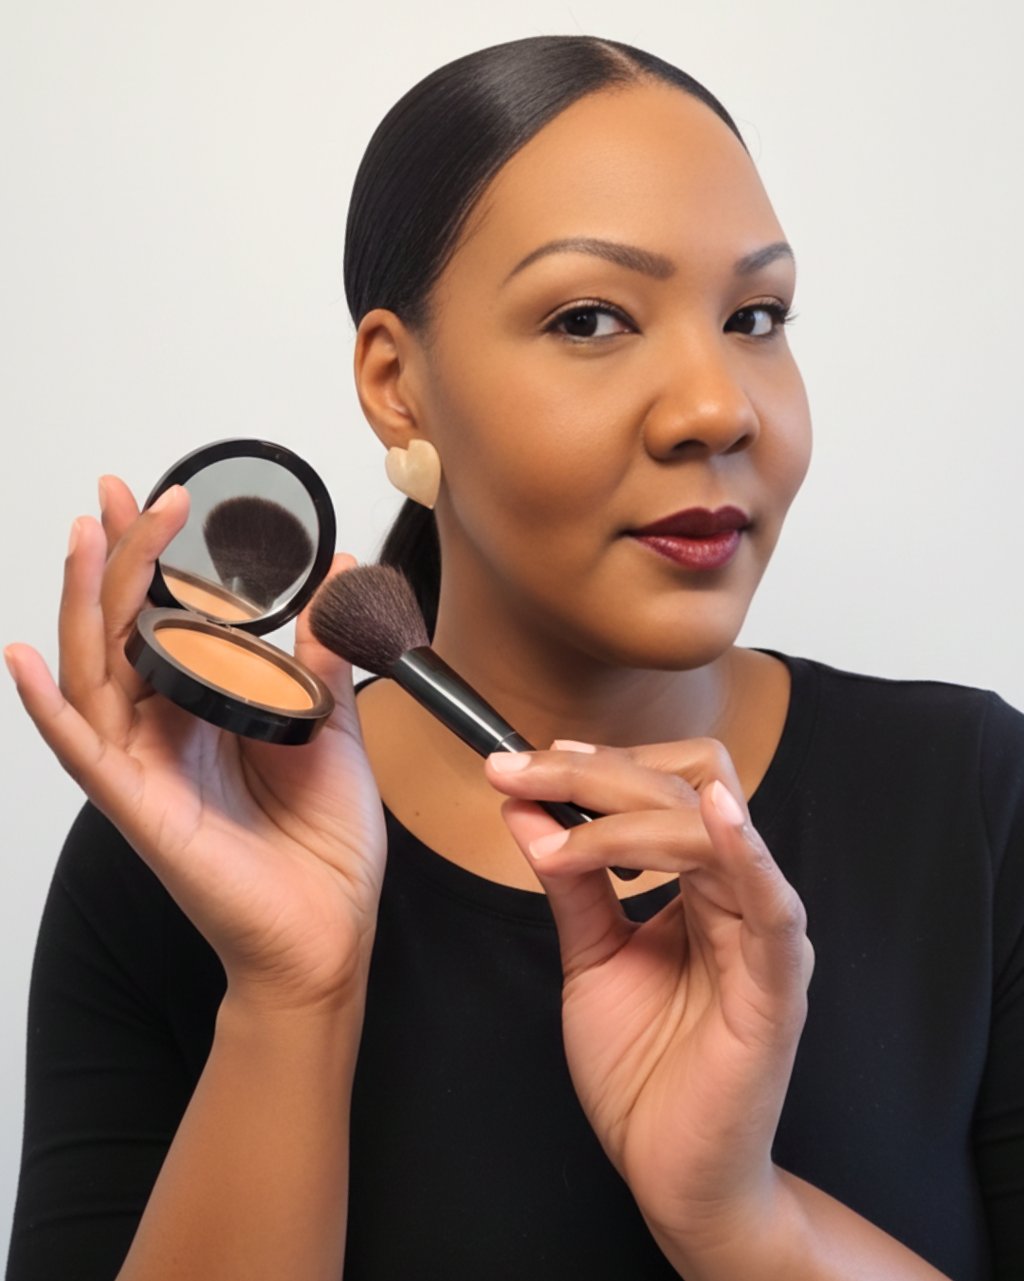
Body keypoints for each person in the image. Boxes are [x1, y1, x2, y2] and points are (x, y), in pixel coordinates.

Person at [4, 34, 1022, 1281]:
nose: (717, 404)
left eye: (755, 315)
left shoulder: (972, 795)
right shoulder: (184, 854)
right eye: (590, 317)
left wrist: (738, 1219)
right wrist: (292, 1000)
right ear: (398, 387)